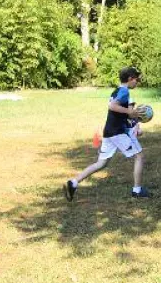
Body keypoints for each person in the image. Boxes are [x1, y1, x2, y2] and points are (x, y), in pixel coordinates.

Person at [64, 66, 150, 200]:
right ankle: (137, 191)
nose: (137, 83)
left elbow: (119, 112)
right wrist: (129, 111)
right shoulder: (124, 91)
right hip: (118, 132)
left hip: (109, 132)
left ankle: (73, 183)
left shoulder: (116, 90)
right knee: (139, 156)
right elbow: (112, 106)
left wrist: (134, 117)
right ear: (130, 79)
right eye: (136, 80)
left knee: (101, 163)